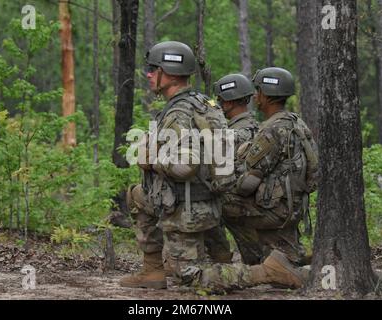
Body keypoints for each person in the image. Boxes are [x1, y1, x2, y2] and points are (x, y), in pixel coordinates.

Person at [120, 42, 308, 292]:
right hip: (208, 203)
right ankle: (159, 268)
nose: (149, 74)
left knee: (190, 278)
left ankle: (265, 271)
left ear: (170, 73)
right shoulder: (203, 104)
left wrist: (150, 158)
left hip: (183, 206)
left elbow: (186, 165)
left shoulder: (179, 112)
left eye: (154, 69)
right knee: (137, 195)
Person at [233, 67, 319, 266]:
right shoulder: (297, 123)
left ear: (268, 95)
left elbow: (248, 183)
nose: (255, 95)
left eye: (259, 90)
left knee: (220, 202)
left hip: (276, 212)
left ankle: (254, 258)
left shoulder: (272, 129)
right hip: (295, 208)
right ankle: (286, 251)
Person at [204, 73, 262, 265]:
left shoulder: (238, 132)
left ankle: (219, 253)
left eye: (220, 99)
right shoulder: (256, 126)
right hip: (254, 203)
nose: (218, 103)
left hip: (240, 204)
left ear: (229, 102)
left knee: (203, 199)